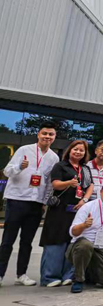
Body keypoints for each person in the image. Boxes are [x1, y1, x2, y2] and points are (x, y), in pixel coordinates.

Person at [0, 122, 59, 287]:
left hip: (36, 203)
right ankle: (0, 274)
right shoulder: (24, 150)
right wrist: (20, 167)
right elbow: (7, 171)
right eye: (44, 133)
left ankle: (21, 274)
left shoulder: (54, 157)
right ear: (38, 135)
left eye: (51, 134)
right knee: (8, 240)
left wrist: (45, 202)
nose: (47, 137)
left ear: (54, 137)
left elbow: (49, 183)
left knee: (27, 242)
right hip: (17, 199)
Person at [40, 140, 93, 287]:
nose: (78, 152)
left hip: (77, 210)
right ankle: (50, 277)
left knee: (72, 241)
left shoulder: (85, 169)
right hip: (59, 210)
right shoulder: (60, 166)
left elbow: (90, 186)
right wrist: (69, 183)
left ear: (85, 153)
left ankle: (68, 275)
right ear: (69, 150)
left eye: (81, 150)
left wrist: (84, 200)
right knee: (55, 241)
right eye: (75, 149)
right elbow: (55, 184)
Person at [66, 180, 103, 293]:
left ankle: (89, 273)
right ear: (101, 191)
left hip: (102, 249)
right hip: (81, 247)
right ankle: (78, 279)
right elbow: (72, 232)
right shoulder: (87, 207)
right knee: (85, 245)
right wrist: (83, 225)